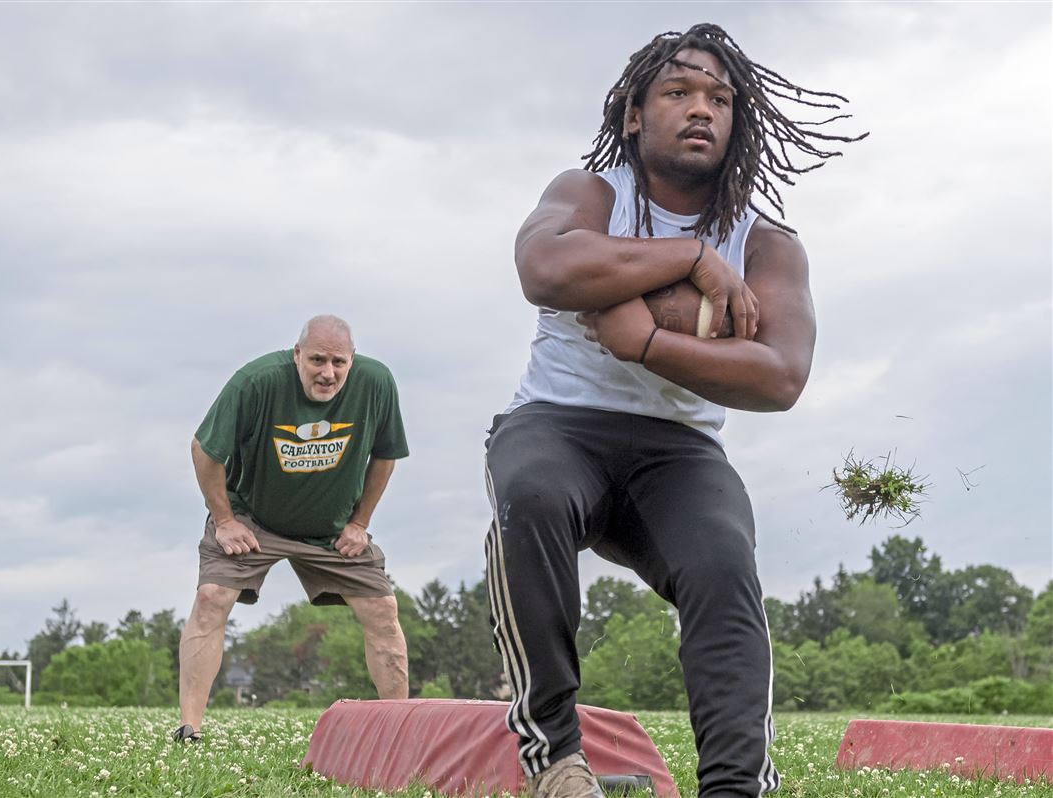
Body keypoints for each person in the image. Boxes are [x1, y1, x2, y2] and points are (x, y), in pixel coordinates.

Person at [484, 24, 865, 798]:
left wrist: (650, 344)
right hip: (559, 421)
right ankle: (557, 760)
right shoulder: (590, 192)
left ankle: (734, 785)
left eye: (719, 98)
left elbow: (782, 375)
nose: (701, 109)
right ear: (633, 113)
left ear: (738, 121)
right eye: (679, 92)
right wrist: (689, 258)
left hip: (678, 448)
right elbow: (544, 266)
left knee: (725, 564)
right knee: (530, 497)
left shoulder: (767, 241)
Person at [175, 314, 410, 742]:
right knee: (212, 597)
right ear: (296, 354)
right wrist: (225, 521)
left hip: (331, 528)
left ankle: (398, 733)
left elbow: (386, 454)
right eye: (317, 359)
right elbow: (204, 450)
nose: (328, 373)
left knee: (383, 611)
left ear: (352, 359)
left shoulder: (377, 383)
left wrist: (360, 523)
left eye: (339, 362)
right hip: (254, 519)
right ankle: (189, 729)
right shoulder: (256, 382)